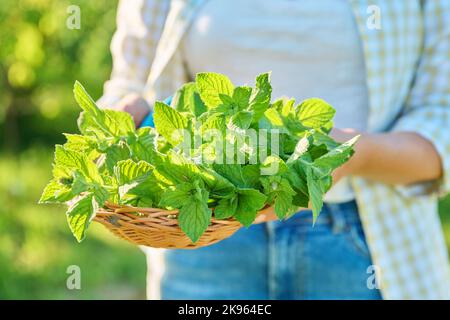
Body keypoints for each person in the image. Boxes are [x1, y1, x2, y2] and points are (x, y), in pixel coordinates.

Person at [97, 0, 450, 299]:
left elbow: (442, 122)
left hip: (366, 238)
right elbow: (131, 79)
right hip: (204, 231)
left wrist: (352, 152)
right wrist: (123, 119)